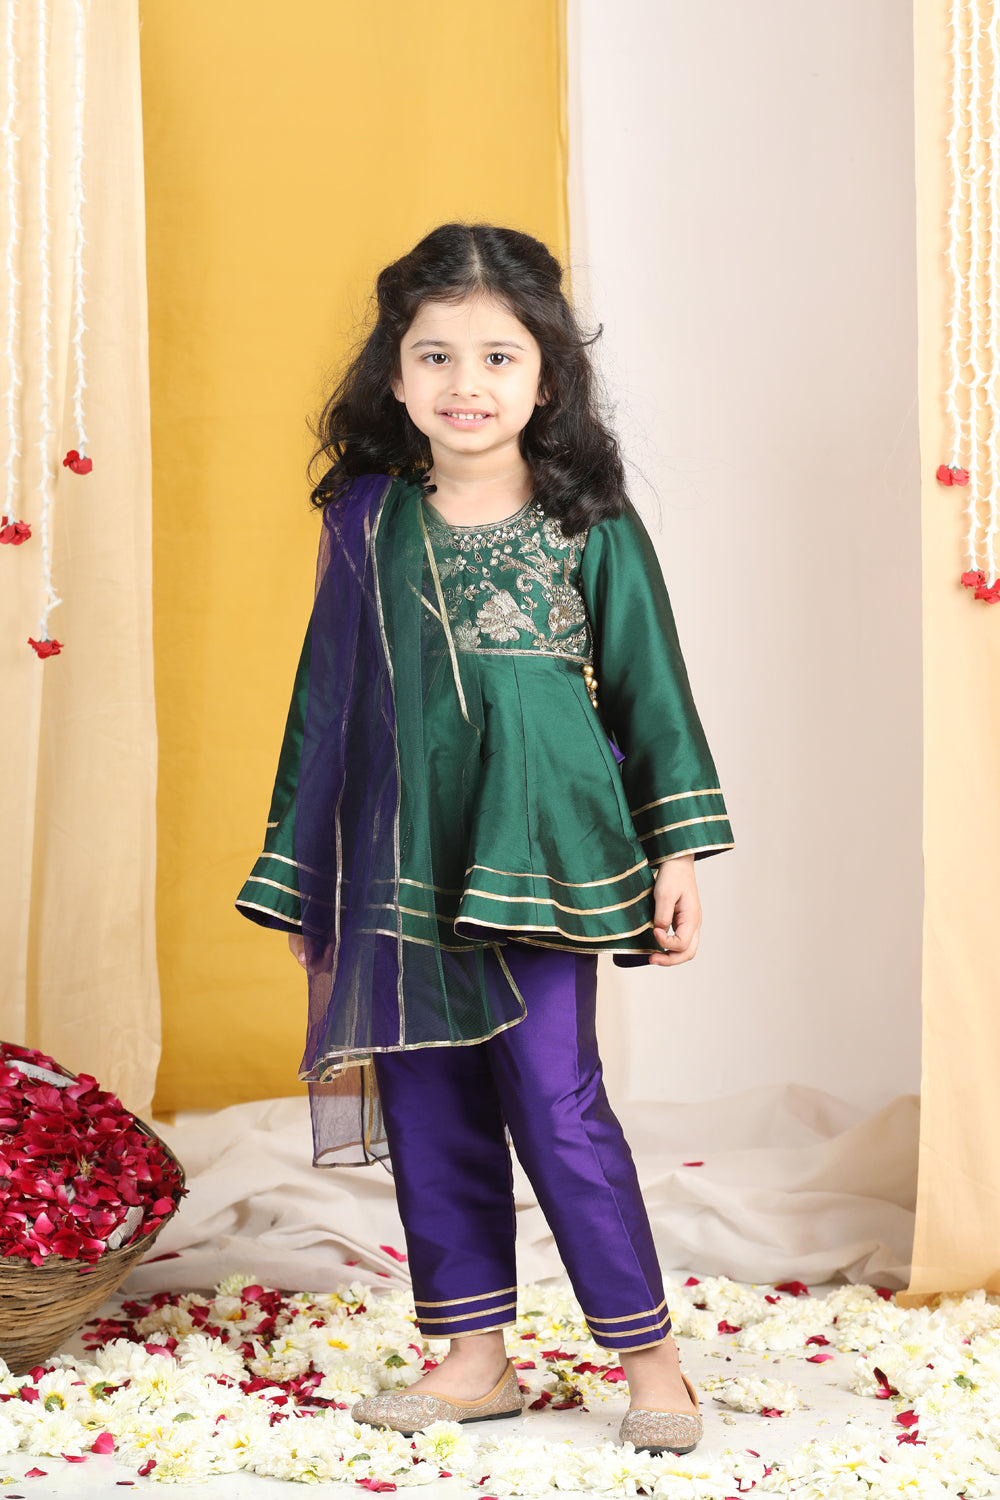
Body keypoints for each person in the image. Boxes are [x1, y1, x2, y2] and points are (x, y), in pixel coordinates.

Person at [236, 223, 733, 1456]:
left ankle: (650, 1360)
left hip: (546, 853)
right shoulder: (367, 521)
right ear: (396, 377)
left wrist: (673, 855)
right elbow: (325, 700)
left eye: (498, 358)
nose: (467, 383)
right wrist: (305, 876)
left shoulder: (589, 520)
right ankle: (472, 1360)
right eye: (436, 357)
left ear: (546, 378)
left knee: (559, 1102)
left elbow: (653, 692)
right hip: (400, 856)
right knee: (427, 1098)